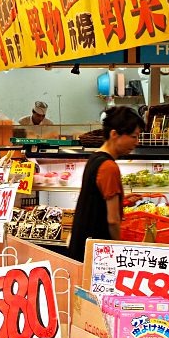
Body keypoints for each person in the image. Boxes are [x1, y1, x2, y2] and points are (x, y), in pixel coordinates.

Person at [67, 107, 145, 262]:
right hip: (98, 251)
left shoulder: (94, 158)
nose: (137, 142)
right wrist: (119, 248)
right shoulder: (109, 167)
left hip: (82, 244)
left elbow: (96, 201)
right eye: (133, 136)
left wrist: (122, 201)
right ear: (114, 134)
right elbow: (113, 220)